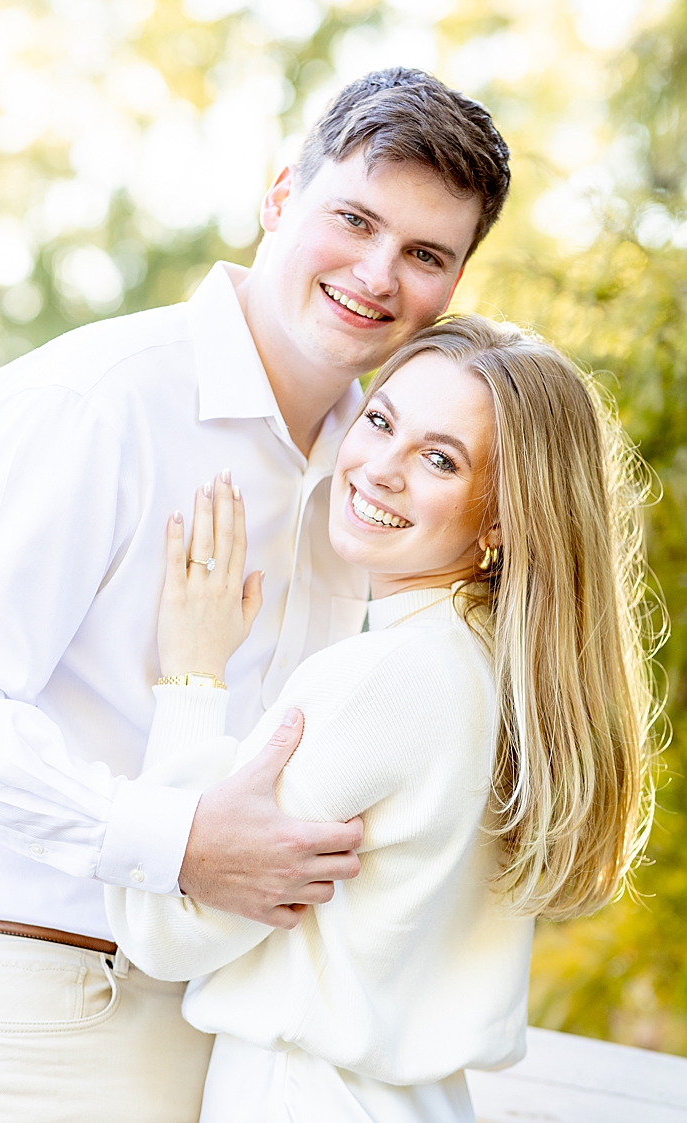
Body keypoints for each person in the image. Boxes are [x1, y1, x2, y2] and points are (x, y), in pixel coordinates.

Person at [0, 67, 512, 1122]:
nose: (378, 274)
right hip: (61, 990)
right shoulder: (94, 403)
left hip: (242, 1022)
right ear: (281, 194)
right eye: (355, 219)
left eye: (425, 254)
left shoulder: (377, 476)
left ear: (453, 283)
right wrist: (175, 840)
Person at [106, 314, 657, 1122]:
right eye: (380, 420)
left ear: (502, 515)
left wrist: (193, 674)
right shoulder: (505, 676)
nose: (380, 469)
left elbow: (165, 926)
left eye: (440, 458)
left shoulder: (385, 678)